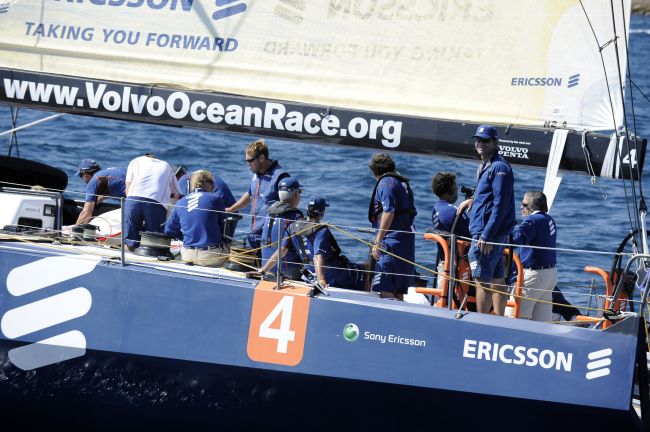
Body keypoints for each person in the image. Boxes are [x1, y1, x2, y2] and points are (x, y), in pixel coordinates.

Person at [457, 125, 515, 315]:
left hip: (486, 235)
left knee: (481, 280)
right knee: (497, 280)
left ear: (495, 142)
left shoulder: (499, 167)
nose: (480, 143)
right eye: (478, 140)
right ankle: (498, 320)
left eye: (485, 140)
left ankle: (482, 322)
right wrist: (472, 200)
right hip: (489, 233)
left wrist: (486, 235)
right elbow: (490, 198)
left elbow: (501, 204)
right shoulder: (486, 165)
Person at [290, 196, 367, 290]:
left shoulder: (294, 227)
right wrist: (321, 281)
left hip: (308, 272)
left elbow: (283, 249)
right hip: (331, 274)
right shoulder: (321, 231)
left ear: (307, 209)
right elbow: (318, 256)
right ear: (322, 213)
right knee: (366, 268)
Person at [368, 153, 416, 300]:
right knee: (399, 289)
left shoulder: (384, 183)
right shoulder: (402, 182)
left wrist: (378, 242)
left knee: (385, 287)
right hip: (406, 242)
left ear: (374, 171)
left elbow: (389, 211)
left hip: (391, 242)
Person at [226, 139, 289, 250]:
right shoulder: (254, 174)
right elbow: (250, 195)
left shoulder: (280, 177)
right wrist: (231, 209)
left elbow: (289, 205)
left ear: (261, 158)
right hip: (253, 231)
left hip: (269, 234)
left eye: (250, 161)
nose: (248, 164)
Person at [164, 170, 229, 267]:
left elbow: (168, 230)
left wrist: (186, 238)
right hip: (211, 256)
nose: (214, 187)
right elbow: (223, 224)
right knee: (232, 248)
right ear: (207, 183)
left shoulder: (181, 202)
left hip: (188, 254)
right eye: (212, 183)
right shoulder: (215, 198)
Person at [511, 191, 557, 321]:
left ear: (533, 207)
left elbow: (516, 240)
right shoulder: (549, 219)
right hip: (550, 275)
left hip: (534, 275)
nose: (521, 207)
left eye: (524, 204)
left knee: (515, 315)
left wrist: (504, 228)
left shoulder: (532, 220)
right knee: (542, 322)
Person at [124, 153, 181, 250]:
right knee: (153, 242)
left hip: (133, 200)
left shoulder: (136, 161)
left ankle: (127, 257)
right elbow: (176, 193)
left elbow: (127, 189)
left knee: (130, 240)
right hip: (156, 203)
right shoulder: (166, 165)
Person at [259, 177, 303, 279]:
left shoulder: (269, 211)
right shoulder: (295, 217)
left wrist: (265, 268)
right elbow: (283, 250)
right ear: (296, 194)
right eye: (299, 192)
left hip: (265, 264)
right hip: (284, 270)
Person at [75, 159, 126, 225]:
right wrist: (94, 202)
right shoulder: (107, 173)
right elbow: (112, 189)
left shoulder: (94, 181)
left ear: (85, 174)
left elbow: (86, 213)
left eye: (80, 176)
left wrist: (74, 230)